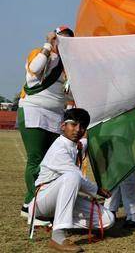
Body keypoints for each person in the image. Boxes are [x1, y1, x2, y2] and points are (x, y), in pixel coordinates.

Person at [27, 108, 115, 252]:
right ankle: (58, 236)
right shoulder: (59, 149)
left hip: (63, 197)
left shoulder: (76, 144)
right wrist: (98, 190)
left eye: (82, 126)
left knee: (108, 219)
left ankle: (58, 220)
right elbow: (77, 176)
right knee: (72, 177)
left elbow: (83, 143)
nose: (78, 130)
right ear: (63, 126)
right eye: (73, 125)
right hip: (42, 202)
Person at [18, 26, 74, 221]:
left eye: (68, 40)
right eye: (60, 38)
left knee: (50, 162)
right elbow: (35, 69)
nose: (63, 43)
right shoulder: (40, 53)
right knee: (35, 158)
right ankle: (32, 204)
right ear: (54, 38)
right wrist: (47, 45)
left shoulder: (68, 65)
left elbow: (70, 94)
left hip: (56, 115)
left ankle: (38, 203)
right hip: (34, 110)